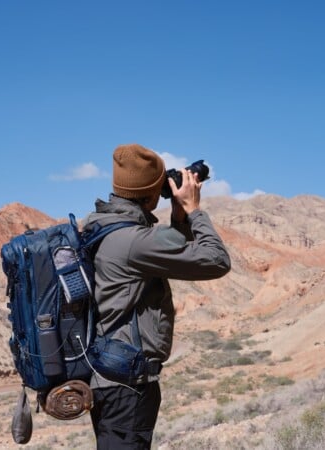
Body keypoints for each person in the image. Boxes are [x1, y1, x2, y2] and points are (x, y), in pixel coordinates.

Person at [84, 143, 231, 449]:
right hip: (127, 387)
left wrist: (177, 220)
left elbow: (166, 248)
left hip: (110, 379)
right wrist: (194, 210)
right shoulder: (133, 241)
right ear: (151, 194)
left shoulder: (103, 228)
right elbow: (216, 260)